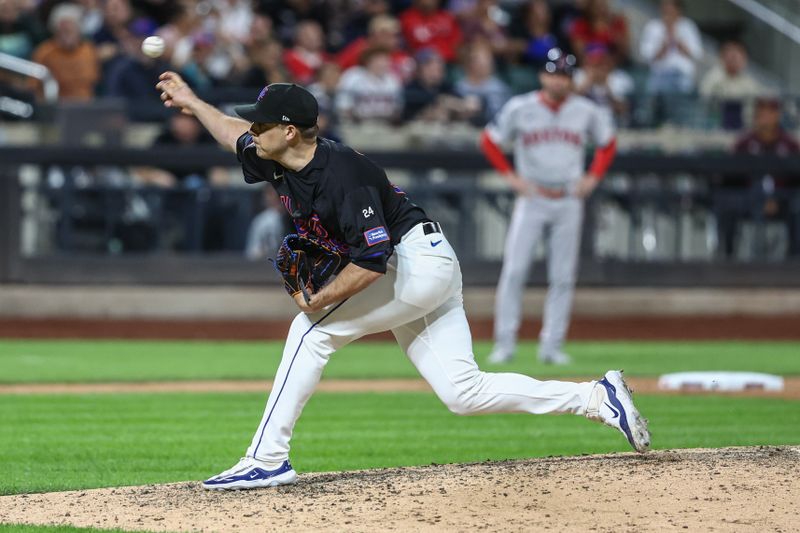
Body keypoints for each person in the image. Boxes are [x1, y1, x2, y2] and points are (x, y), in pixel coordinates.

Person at [154, 70, 650, 489]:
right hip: (419, 265)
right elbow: (229, 131)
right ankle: (594, 396)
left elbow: (372, 259)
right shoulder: (275, 156)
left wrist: (320, 299)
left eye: (260, 123)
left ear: (288, 131)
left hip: (417, 263)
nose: (251, 130)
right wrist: (194, 101)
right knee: (463, 392)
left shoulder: (342, 173)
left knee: (311, 332)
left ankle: (266, 460)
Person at [479, 48, 616, 365]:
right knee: (514, 271)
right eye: (554, 74)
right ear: (542, 76)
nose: (560, 81)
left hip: (569, 198)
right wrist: (510, 176)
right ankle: (505, 344)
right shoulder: (521, 107)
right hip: (533, 197)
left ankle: (551, 346)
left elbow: (608, 144)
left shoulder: (586, 110)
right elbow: (489, 140)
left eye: (565, 75)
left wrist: (593, 177)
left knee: (563, 276)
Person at [714, 97, 800, 258]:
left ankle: (794, 261)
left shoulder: (790, 144)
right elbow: (730, 178)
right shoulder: (744, 144)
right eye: (761, 113)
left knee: (798, 205)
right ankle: (728, 258)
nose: (765, 117)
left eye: (770, 112)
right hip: (749, 198)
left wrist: (775, 198)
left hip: (783, 200)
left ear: (777, 115)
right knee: (727, 202)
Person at [639, 0, 702, 95]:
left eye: (671, 10)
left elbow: (697, 54)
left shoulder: (688, 26)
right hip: (659, 75)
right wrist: (662, 47)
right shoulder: (653, 27)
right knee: (652, 87)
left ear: (678, 10)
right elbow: (645, 55)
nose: (668, 14)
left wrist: (678, 41)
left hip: (682, 76)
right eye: (665, 10)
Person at [699, 41, 764, 130]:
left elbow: (757, 105)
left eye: (739, 56)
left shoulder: (749, 82)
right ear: (722, 57)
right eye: (732, 56)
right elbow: (706, 103)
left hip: (745, 128)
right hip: (717, 128)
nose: (735, 59)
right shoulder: (713, 78)